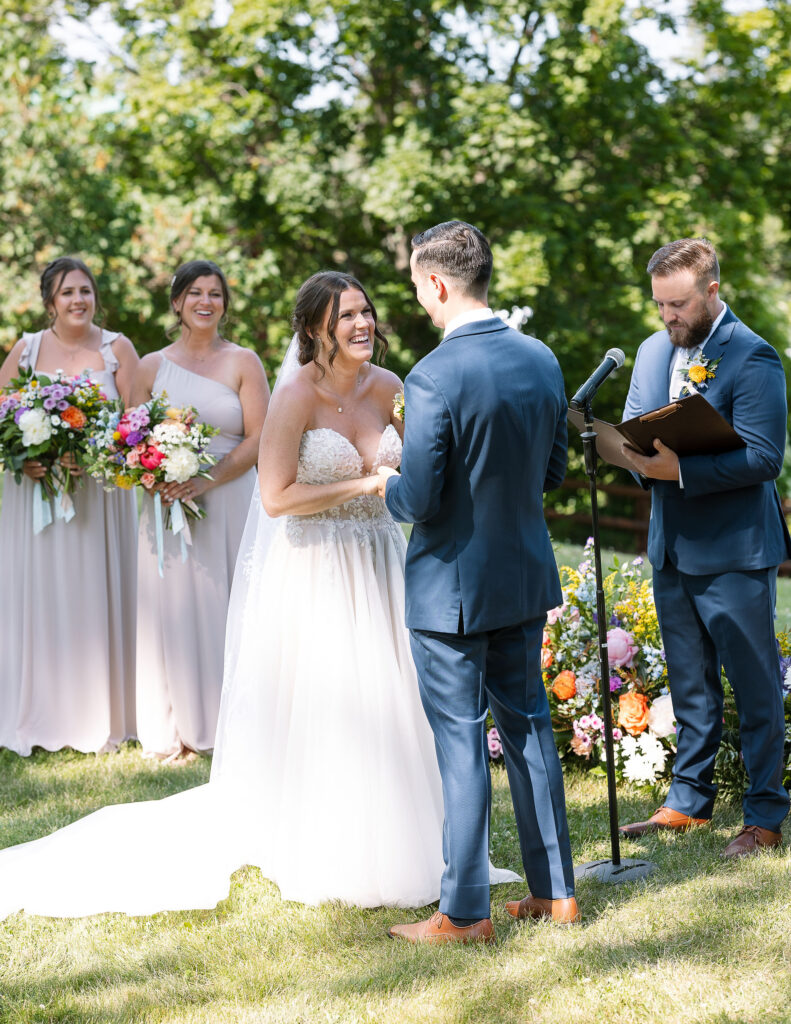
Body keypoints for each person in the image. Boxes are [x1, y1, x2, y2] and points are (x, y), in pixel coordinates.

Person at [0, 269, 518, 918]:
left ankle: (418, 834)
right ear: (314, 330)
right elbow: (275, 498)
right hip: (318, 567)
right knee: (336, 697)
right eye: (345, 316)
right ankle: (329, 835)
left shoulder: (392, 387)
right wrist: (361, 487)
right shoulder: (295, 396)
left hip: (384, 564)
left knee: (392, 697)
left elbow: (418, 475)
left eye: (365, 312)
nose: (362, 325)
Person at [378, 221, 578, 945]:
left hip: (451, 591)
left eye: (416, 289)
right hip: (522, 576)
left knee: (460, 745)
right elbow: (550, 474)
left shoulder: (432, 374)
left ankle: (463, 912)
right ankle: (556, 893)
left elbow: (422, 499)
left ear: (436, 283)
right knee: (527, 731)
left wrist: (385, 484)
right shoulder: (542, 358)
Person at [618, 237, 791, 857]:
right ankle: (689, 800)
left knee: (753, 684)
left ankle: (765, 814)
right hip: (671, 544)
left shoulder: (753, 356)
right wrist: (635, 459)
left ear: (712, 291)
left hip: (737, 550)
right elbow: (636, 427)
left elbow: (766, 458)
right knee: (690, 682)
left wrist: (681, 473)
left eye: (680, 305)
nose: (669, 317)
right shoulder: (649, 350)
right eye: (660, 304)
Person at [0, 256, 139, 755]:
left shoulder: (117, 348)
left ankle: (99, 714)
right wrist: (25, 458)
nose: (78, 300)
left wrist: (101, 457)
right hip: (36, 496)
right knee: (40, 594)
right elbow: (2, 420)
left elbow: (135, 424)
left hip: (98, 497)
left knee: (92, 593)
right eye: (66, 292)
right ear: (49, 302)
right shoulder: (27, 348)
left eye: (84, 290)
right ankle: (38, 710)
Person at [132, 260, 270, 760]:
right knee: (174, 606)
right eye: (194, 293)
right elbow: (130, 441)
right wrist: (156, 473)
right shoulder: (149, 367)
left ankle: (238, 718)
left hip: (231, 498)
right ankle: (181, 722)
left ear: (224, 304)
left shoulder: (243, 361)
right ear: (176, 303)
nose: (205, 301)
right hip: (168, 505)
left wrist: (205, 478)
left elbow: (260, 438)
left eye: (215, 293)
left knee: (232, 603)